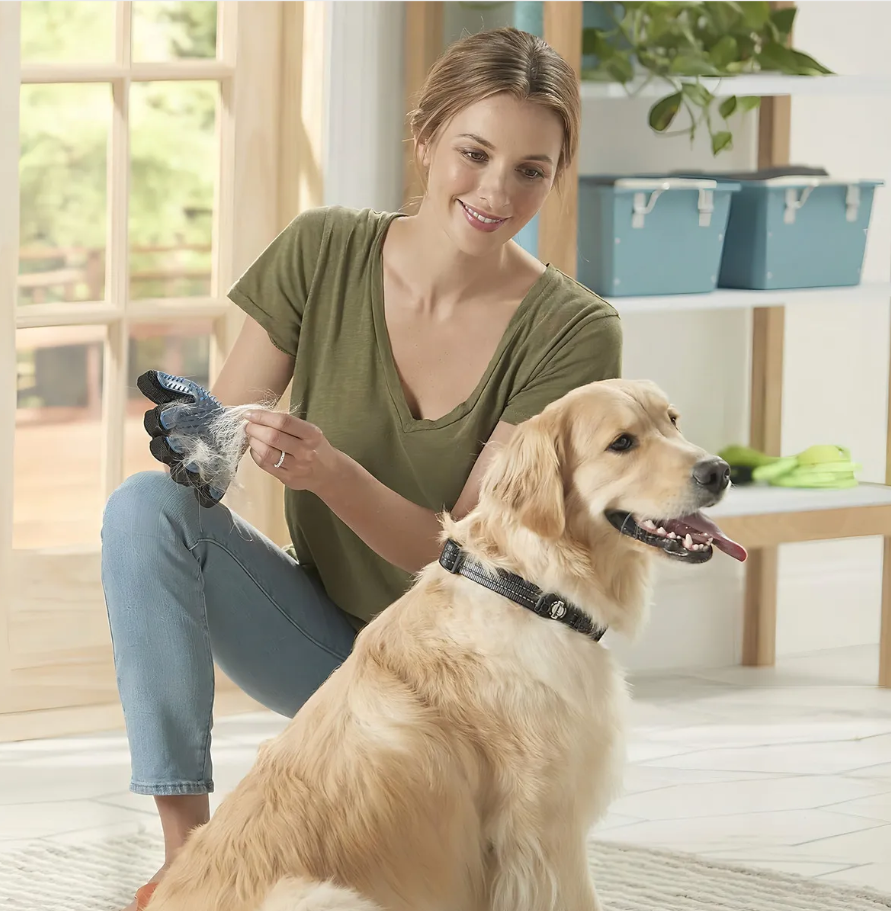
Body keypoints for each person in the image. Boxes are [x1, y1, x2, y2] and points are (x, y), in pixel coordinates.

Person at [100, 25, 622, 910]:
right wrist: (205, 436)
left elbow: (471, 560)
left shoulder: (572, 330)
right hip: (329, 654)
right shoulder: (323, 249)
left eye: (531, 170)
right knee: (145, 507)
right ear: (423, 140)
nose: (496, 190)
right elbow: (217, 450)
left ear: (554, 175)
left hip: (463, 682)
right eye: (473, 152)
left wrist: (332, 473)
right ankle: (193, 859)